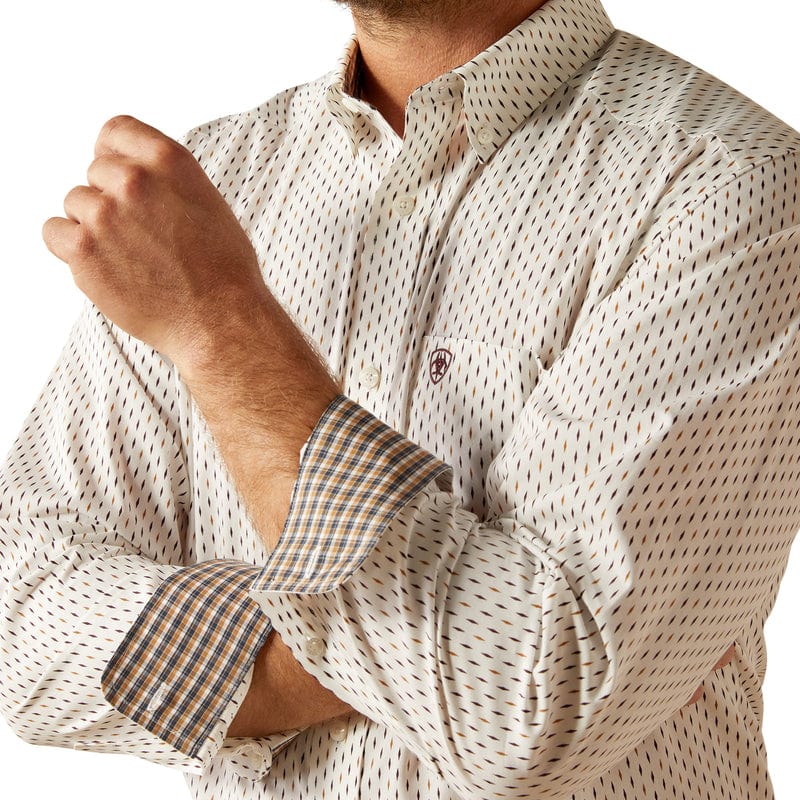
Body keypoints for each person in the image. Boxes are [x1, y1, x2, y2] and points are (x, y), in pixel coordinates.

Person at [0, 0, 796, 797]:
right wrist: (444, 652)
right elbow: (20, 618)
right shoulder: (212, 182)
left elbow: (525, 714)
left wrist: (219, 324)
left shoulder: (732, 186)